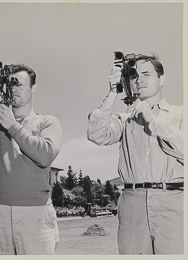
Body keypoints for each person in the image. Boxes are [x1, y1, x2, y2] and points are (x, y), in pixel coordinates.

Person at [87, 53, 184, 254]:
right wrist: (113, 92)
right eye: (134, 75)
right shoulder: (125, 118)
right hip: (133, 204)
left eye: (147, 74)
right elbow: (95, 134)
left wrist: (153, 121)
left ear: (162, 78)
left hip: (173, 202)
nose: (140, 80)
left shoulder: (180, 114)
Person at [0, 63, 63, 255]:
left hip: (36, 213)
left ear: (33, 88)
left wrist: (13, 126)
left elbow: (45, 155)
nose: (13, 88)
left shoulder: (47, 122)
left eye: (18, 84)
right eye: (9, 83)